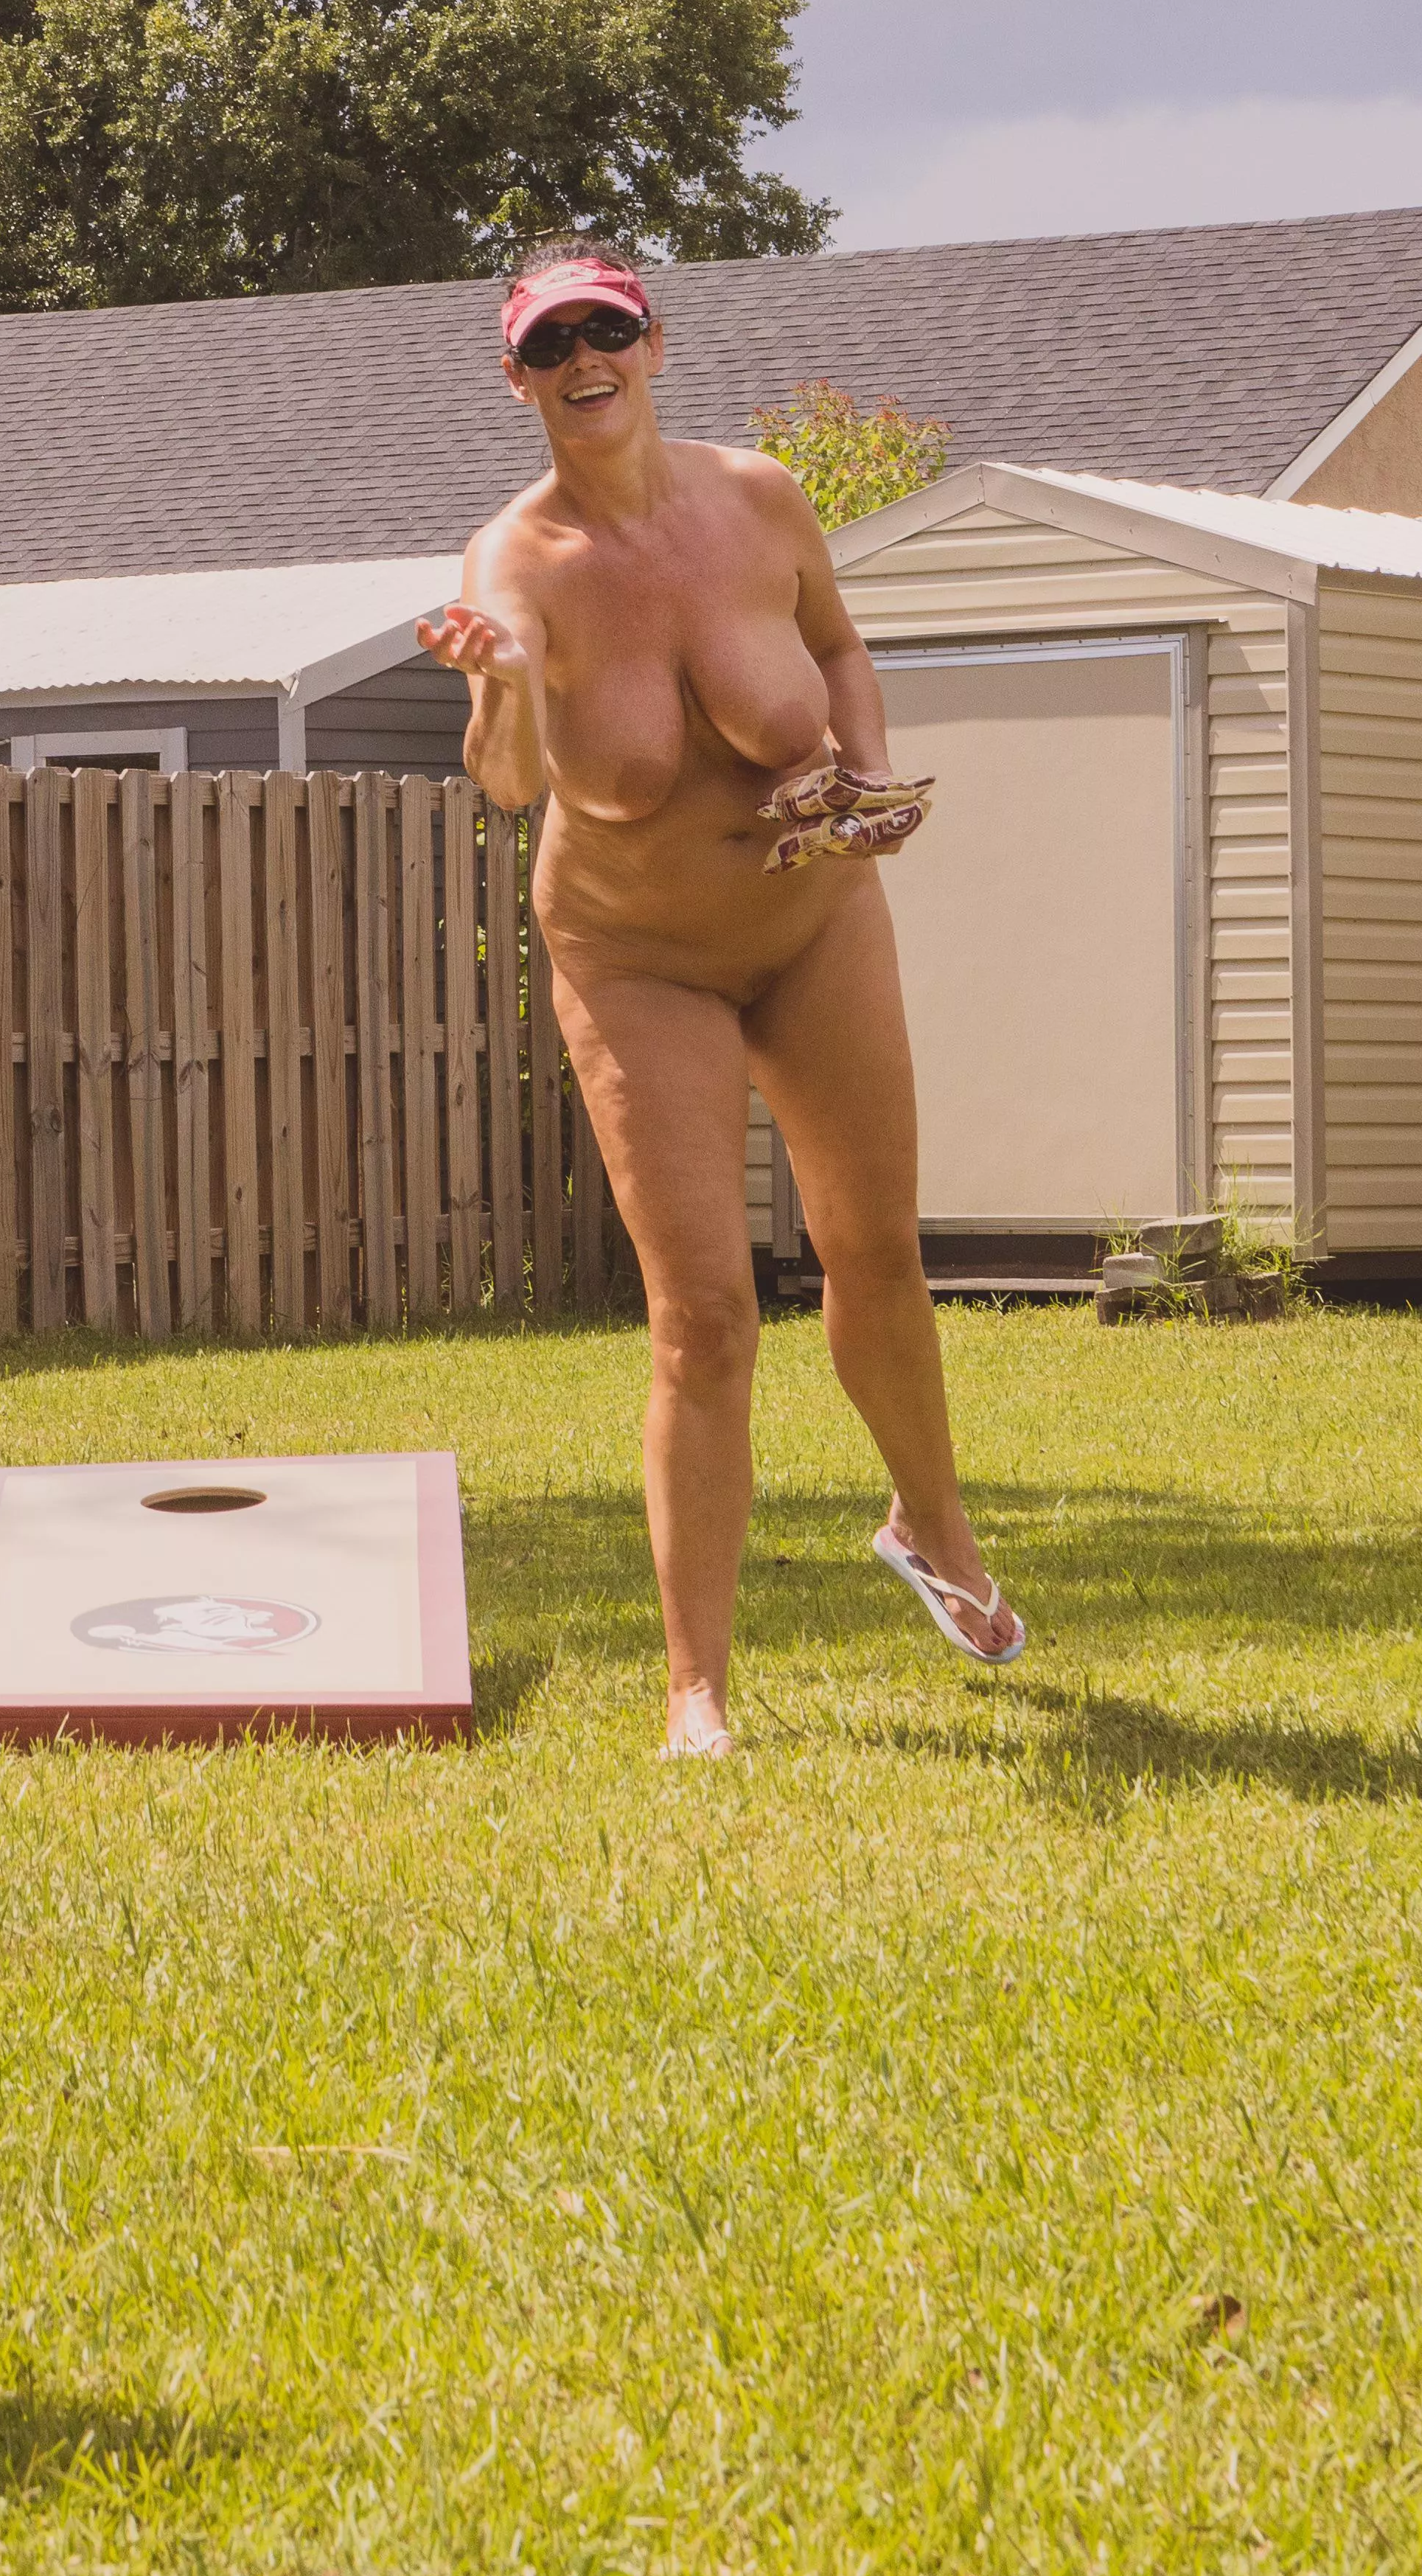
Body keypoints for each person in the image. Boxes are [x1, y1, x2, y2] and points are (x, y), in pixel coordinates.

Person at [419, 251, 1023, 1757]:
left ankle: (929, 1527)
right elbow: (506, 782)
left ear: (651, 343)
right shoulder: (516, 567)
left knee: (874, 1250)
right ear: (518, 380)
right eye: (546, 342)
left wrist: (869, 768)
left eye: (602, 328)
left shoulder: (758, 495)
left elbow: (831, 646)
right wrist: (497, 684)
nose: (580, 356)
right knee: (703, 1319)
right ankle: (695, 1688)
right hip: (639, 961)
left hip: (815, 919)